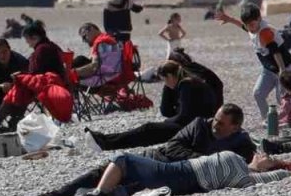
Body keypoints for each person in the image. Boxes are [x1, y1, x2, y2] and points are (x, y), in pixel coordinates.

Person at [29, 104, 256, 196]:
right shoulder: (199, 125)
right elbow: (173, 146)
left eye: (221, 123)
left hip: (171, 178)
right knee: (100, 173)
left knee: (119, 190)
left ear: (235, 128)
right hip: (157, 160)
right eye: (215, 119)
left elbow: (243, 167)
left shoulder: (242, 144)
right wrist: (200, 160)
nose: (214, 125)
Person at [30, 150, 291, 196]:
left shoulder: (244, 174)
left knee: (124, 160)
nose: (262, 154)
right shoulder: (242, 172)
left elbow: (277, 176)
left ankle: (95, 194)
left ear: (267, 167)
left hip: (179, 174)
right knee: (125, 191)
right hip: (182, 180)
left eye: (268, 157)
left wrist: (286, 169)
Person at [84, 60, 220, 151]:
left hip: (194, 129)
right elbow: (166, 111)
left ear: (170, 76)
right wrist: (168, 88)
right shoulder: (186, 83)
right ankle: (105, 140)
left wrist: (166, 122)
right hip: (192, 125)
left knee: (148, 129)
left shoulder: (187, 85)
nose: (165, 84)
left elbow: (184, 117)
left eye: (164, 80)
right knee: (148, 129)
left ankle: (106, 143)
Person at [0, 23, 69, 134]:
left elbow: (35, 73)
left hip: (49, 85)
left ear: (34, 37)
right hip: (44, 84)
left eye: (27, 40)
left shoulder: (41, 50)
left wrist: (18, 78)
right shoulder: (46, 47)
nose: (28, 44)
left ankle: (0, 123)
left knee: (18, 90)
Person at [216, 2, 291, 119]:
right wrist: (230, 19)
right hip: (268, 69)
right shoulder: (251, 27)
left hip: (283, 67)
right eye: (247, 24)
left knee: (281, 98)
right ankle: (267, 120)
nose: (249, 27)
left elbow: (276, 52)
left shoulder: (265, 32)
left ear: (259, 19)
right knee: (258, 93)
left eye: (251, 24)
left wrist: (282, 71)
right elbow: (243, 26)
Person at [74, 23, 122, 88]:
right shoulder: (109, 39)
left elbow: (94, 66)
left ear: (91, 29)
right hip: (114, 74)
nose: (84, 40)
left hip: (100, 78)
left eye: (84, 36)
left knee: (80, 59)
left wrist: (74, 72)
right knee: (80, 60)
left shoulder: (100, 43)